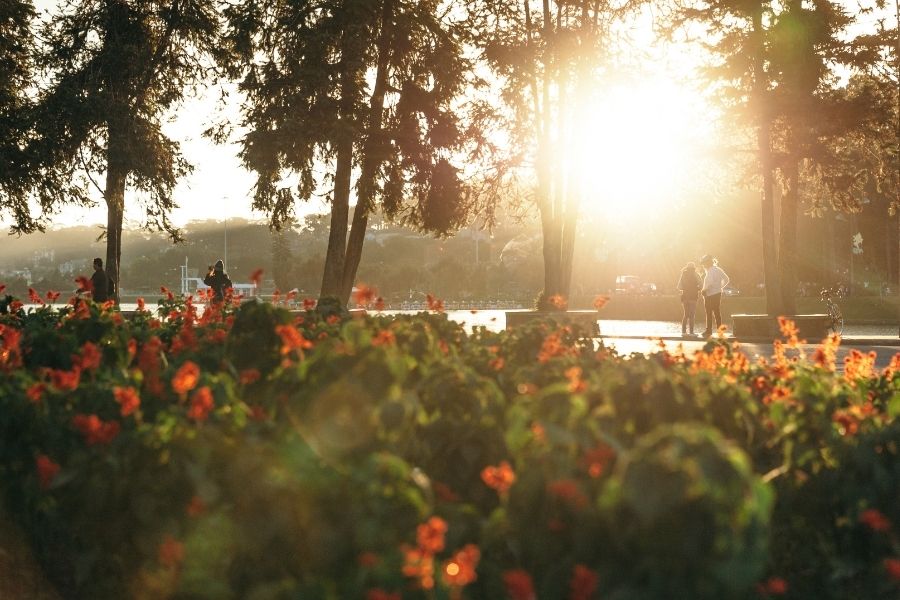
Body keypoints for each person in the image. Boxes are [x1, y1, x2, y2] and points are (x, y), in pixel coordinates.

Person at [700, 254, 729, 337]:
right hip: (718, 293)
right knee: (717, 312)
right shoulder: (718, 269)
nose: (703, 265)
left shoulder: (710, 271)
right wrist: (720, 287)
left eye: (704, 263)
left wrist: (704, 290)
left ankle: (708, 330)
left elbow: (710, 282)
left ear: (707, 263)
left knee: (708, 313)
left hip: (709, 294)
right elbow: (727, 279)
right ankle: (720, 331)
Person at [676, 261, 701, 336]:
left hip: (685, 297)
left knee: (686, 314)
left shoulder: (683, 274)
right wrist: (697, 289)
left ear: (687, 268)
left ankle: (683, 332)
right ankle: (691, 332)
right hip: (693, 297)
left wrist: (685, 288)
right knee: (692, 315)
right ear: (694, 268)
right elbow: (701, 285)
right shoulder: (696, 274)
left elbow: (679, 287)